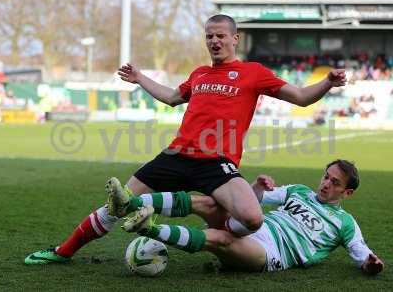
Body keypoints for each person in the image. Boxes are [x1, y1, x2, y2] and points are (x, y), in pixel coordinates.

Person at [24, 14, 346, 264]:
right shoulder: (199, 74)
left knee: (251, 218)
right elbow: (173, 97)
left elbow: (302, 97)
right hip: (176, 155)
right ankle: (63, 251)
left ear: (235, 39)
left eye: (221, 36)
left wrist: (327, 83)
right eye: (209, 37)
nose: (215, 42)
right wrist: (139, 78)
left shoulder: (253, 72)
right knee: (115, 204)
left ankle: (189, 225)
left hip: (217, 163)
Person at [120, 159, 384, 275]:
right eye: (326, 176)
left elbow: (363, 255)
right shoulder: (299, 191)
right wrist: (258, 185)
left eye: (335, 182)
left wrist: (370, 265)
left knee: (222, 239)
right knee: (213, 203)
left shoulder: (346, 224)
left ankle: (147, 229)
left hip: (273, 253)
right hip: (256, 228)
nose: (326, 183)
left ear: (347, 193)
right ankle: (132, 201)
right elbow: (253, 200)